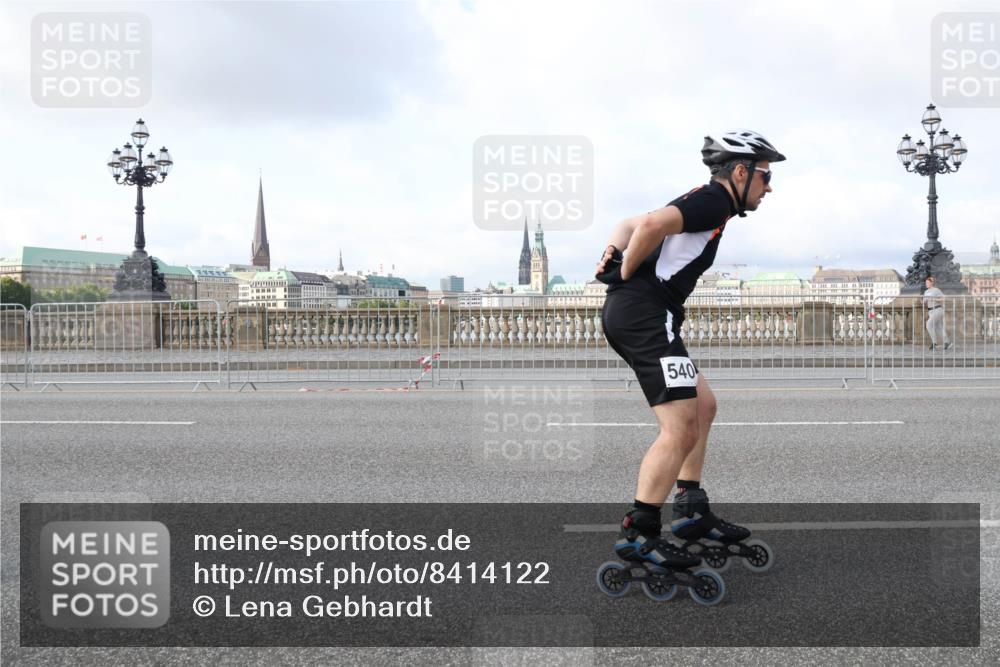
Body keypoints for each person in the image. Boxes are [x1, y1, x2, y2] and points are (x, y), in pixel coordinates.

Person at [594, 130, 785, 571]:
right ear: (740, 172)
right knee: (679, 427)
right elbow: (647, 227)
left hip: (648, 314)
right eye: (765, 175)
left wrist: (613, 248)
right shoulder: (714, 200)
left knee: (703, 407)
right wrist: (624, 268)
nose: (768, 186)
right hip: (643, 314)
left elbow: (628, 224)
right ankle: (640, 533)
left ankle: (691, 509)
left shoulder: (706, 200)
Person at [922, 275, 951, 351]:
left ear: (932, 283)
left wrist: (934, 298)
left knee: (928, 324)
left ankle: (934, 343)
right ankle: (947, 342)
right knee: (939, 328)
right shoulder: (926, 292)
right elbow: (925, 301)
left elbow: (943, 298)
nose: (926, 284)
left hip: (937, 309)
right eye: (926, 282)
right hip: (930, 311)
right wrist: (923, 302)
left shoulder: (936, 290)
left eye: (928, 282)